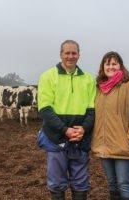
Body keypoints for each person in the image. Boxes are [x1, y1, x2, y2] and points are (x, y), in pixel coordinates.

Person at [37, 40, 96, 200]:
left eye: (74, 53)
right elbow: (45, 109)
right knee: (56, 183)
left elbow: (92, 110)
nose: (70, 56)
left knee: (81, 183)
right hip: (56, 138)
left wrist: (83, 129)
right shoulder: (48, 76)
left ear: (79, 55)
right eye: (67, 53)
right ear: (61, 54)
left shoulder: (89, 80)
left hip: (80, 138)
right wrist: (65, 130)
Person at [91, 51, 129, 200]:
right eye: (107, 63)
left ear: (120, 66)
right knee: (112, 184)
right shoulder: (98, 88)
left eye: (114, 63)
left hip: (124, 145)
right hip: (103, 145)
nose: (110, 66)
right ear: (102, 67)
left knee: (124, 184)